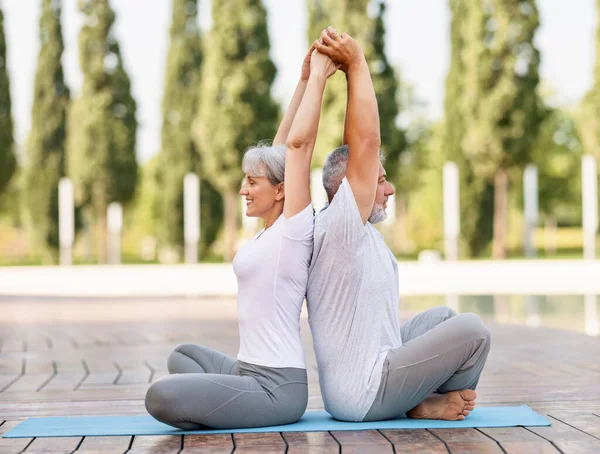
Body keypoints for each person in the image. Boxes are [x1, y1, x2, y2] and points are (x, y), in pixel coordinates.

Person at [144, 43, 339, 429]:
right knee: (183, 355)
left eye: (253, 182)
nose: (243, 190)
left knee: (160, 395)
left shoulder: (294, 231)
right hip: (247, 368)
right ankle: (229, 397)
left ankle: (234, 403)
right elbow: (282, 148)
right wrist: (301, 80)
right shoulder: (270, 232)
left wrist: (320, 77)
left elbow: (299, 147)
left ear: (281, 190)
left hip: (277, 387)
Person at [307, 27, 491, 423]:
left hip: (378, 367)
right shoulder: (340, 228)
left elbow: (353, 148)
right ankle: (421, 406)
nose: (389, 188)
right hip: (363, 391)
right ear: (348, 188)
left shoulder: (353, 229)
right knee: (474, 332)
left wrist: (349, 83)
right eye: (379, 179)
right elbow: (365, 145)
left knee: (443, 318)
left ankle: (418, 402)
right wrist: (357, 64)